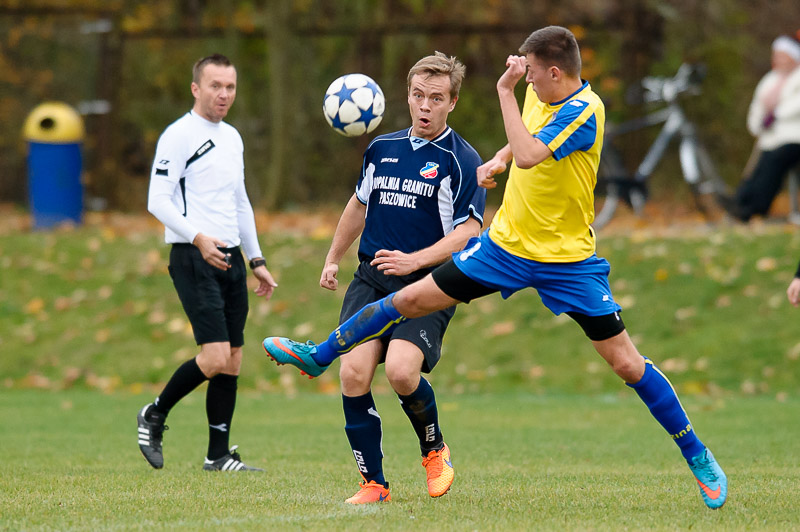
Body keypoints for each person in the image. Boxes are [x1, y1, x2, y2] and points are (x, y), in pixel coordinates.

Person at [264, 26, 729, 509]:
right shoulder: (539, 93)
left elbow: (531, 152)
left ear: (555, 72)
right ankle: (319, 355)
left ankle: (697, 455)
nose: (523, 80)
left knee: (627, 363)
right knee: (405, 298)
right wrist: (499, 159)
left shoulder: (585, 110)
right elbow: (522, 144)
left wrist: (506, 94)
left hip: (566, 261)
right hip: (504, 248)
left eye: (530, 73)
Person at [266, 52, 486, 504]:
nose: (425, 106)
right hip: (371, 279)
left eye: (436, 98)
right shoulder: (381, 148)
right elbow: (358, 205)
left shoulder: (461, 160)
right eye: (418, 95)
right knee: (353, 374)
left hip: (428, 284)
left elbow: (468, 233)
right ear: (407, 95)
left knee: (403, 373)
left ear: (453, 103)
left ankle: (434, 449)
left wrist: (413, 261)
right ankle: (374, 485)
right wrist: (332, 256)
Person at [138, 53, 277, 472]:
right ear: (196, 88)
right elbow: (156, 200)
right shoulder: (177, 136)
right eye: (215, 86)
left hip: (232, 258)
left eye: (230, 87)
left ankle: (218, 455)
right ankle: (155, 413)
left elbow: (240, 202)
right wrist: (197, 238)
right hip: (193, 256)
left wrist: (256, 259)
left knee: (232, 359)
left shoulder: (233, 137)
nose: (224, 94)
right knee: (215, 357)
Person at [724, 32, 800, 222]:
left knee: (773, 162)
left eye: (783, 55)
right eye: (776, 55)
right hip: (770, 138)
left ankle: (756, 207)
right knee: (757, 168)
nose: (778, 59)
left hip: (794, 137)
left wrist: (775, 115)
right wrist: (758, 125)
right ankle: (740, 202)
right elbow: (757, 106)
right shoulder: (770, 80)